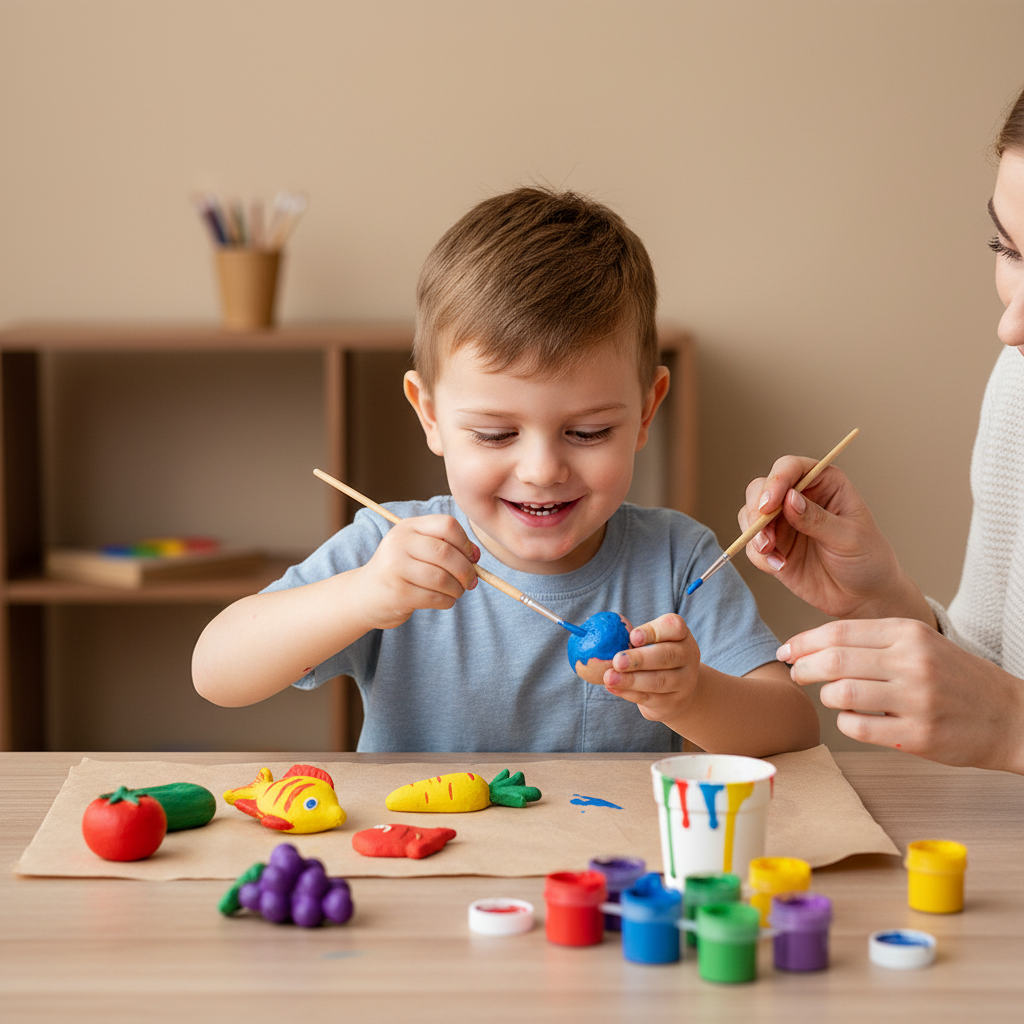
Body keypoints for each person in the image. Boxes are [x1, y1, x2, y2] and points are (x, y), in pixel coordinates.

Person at [192, 187, 818, 755]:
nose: (543, 470)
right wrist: (362, 596)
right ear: (430, 415)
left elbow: (792, 729)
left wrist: (692, 697)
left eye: (589, 432)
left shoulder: (679, 560)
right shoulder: (390, 550)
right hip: (422, 870)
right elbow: (215, 671)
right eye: (495, 434)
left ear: (648, 409)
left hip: (611, 875)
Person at [737, 86, 1024, 775]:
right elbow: (995, 671)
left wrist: (1014, 728)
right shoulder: (1018, 387)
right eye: (1008, 248)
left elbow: (1006, 714)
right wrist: (880, 597)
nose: (1010, 329)